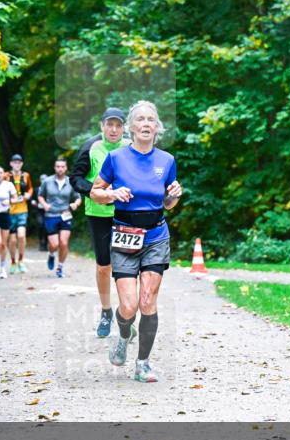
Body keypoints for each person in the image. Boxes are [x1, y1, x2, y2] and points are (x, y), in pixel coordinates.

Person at [89, 101, 182, 383]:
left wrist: (174, 195)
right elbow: (95, 192)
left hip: (156, 236)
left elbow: (167, 203)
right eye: (140, 119)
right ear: (131, 127)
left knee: (147, 301)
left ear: (157, 127)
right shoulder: (116, 158)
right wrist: (112, 194)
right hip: (125, 235)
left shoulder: (166, 160)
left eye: (150, 119)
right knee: (128, 306)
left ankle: (143, 364)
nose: (145, 124)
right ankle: (123, 334)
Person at [70, 107, 128, 337]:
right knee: (104, 265)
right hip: (98, 214)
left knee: (126, 265)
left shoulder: (131, 147)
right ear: (102, 126)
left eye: (118, 125)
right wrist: (94, 192)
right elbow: (75, 178)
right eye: (109, 125)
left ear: (124, 128)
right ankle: (106, 311)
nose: (113, 130)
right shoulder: (90, 146)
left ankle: (126, 313)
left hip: (126, 213)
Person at [37, 159, 81, 279]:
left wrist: (76, 204)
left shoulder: (70, 181)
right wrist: (44, 204)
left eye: (62, 166)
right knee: (54, 244)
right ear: (54, 168)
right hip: (51, 215)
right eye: (58, 166)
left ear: (66, 168)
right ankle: (51, 253)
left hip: (65, 215)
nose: (60, 169)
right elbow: (40, 196)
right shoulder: (47, 181)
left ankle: (60, 267)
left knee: (64, 242)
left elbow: (78, 197)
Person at [4, 154, 33, 274]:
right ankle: (12, 261)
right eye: (14, 162)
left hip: (22, 210)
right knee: (12, 240)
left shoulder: (26, 175)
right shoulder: (6, 176)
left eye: (19, 162)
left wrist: (29, 195)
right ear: (11, 163)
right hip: (10, 211)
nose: (17, 164)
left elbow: (30, 188)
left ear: (22, 164)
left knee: (21, 235)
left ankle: (21, 260)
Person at [33, 173, 49, 251]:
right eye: (42, 179)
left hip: (48, 211)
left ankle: (45, 244)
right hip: (39, 211)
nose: (44, 181)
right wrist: (36, 205)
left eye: (45, 179)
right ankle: (40, 242)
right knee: (40, 224)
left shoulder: (50, 189)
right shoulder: (36, 190)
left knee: (47, 227)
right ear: (40, 180)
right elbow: (32, 200)